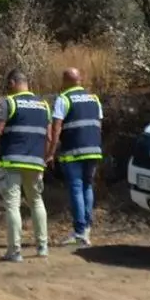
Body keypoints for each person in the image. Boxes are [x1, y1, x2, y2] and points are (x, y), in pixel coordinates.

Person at [0, 70, 52, 262]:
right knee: (37, 201)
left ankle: (14, 251)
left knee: (12, 205)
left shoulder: (9, 102)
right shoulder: (44, 105)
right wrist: (46, 157)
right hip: (35, 160)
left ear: (14, 82)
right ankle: (42, 247)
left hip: (12, 160)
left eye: (9, 84)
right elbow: (48, 136)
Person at [50, 68, 103, 247]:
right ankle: (86, 229)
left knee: (76, 188)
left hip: (73, 151)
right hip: (94, 150)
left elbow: (56, 126)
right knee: (88, 187)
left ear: (65, 80)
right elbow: (98, 124)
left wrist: (51, 151)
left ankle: (79, 231)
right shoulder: (94, 99)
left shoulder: (63, 99)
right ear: (80, 79)